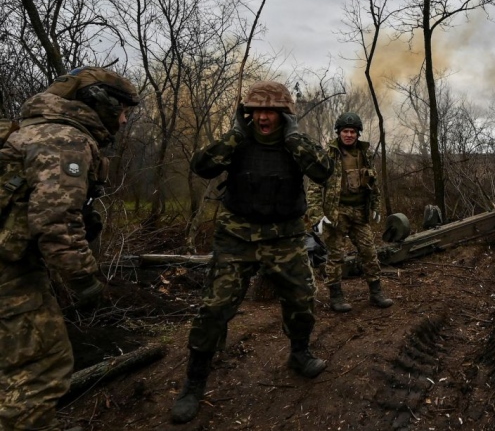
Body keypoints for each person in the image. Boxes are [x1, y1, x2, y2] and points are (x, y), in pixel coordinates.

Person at [170, 81, 334, 424]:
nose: (263, 117)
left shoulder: (294, 144)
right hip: (237, 237)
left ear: (283, 115)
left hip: (285, 237)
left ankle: (299, 353)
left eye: (271, 111)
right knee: (214, 309)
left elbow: (324, 172)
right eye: (257, 110)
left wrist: (294, 139)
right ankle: (194, 382)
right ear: (248, 113)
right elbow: (202, 166)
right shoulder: (237, 141)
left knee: (303, 299)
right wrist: (235, 135)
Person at [0, 67, 139, 431]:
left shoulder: (30, 130)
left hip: (14, 263)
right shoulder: (64, 139)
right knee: (41, 366)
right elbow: (56, 222)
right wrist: (85, 282)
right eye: (123, 110)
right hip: (9, 273)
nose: (124, 120)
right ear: (101, 103)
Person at [306, 112, 393, 313]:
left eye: (352, 132)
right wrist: (317, 215)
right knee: (336, 256)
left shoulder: (364, 154)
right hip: (336, 213)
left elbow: (373, 182)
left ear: (357, 134)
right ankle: (336, 296)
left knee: (369, 252)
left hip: (359, 212)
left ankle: (376, 292)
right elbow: (314, 186)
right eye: (345, 131)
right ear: (338, 132)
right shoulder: (329, 154)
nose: (349, 135)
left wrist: (375, 206)